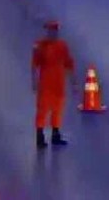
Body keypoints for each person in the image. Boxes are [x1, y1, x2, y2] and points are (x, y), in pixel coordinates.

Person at [32, 20, 77, 149]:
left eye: (54, 31)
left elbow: (69, 64)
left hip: (58, 84)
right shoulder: (40, 46)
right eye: (50, 30)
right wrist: (34, 80)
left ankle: (55, 134)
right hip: (45, 84)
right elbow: (35, 64)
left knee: (58, 110)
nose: (52, 33)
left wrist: (73, 82)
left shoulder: (62, 46)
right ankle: (40, 136)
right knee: (43, 110)